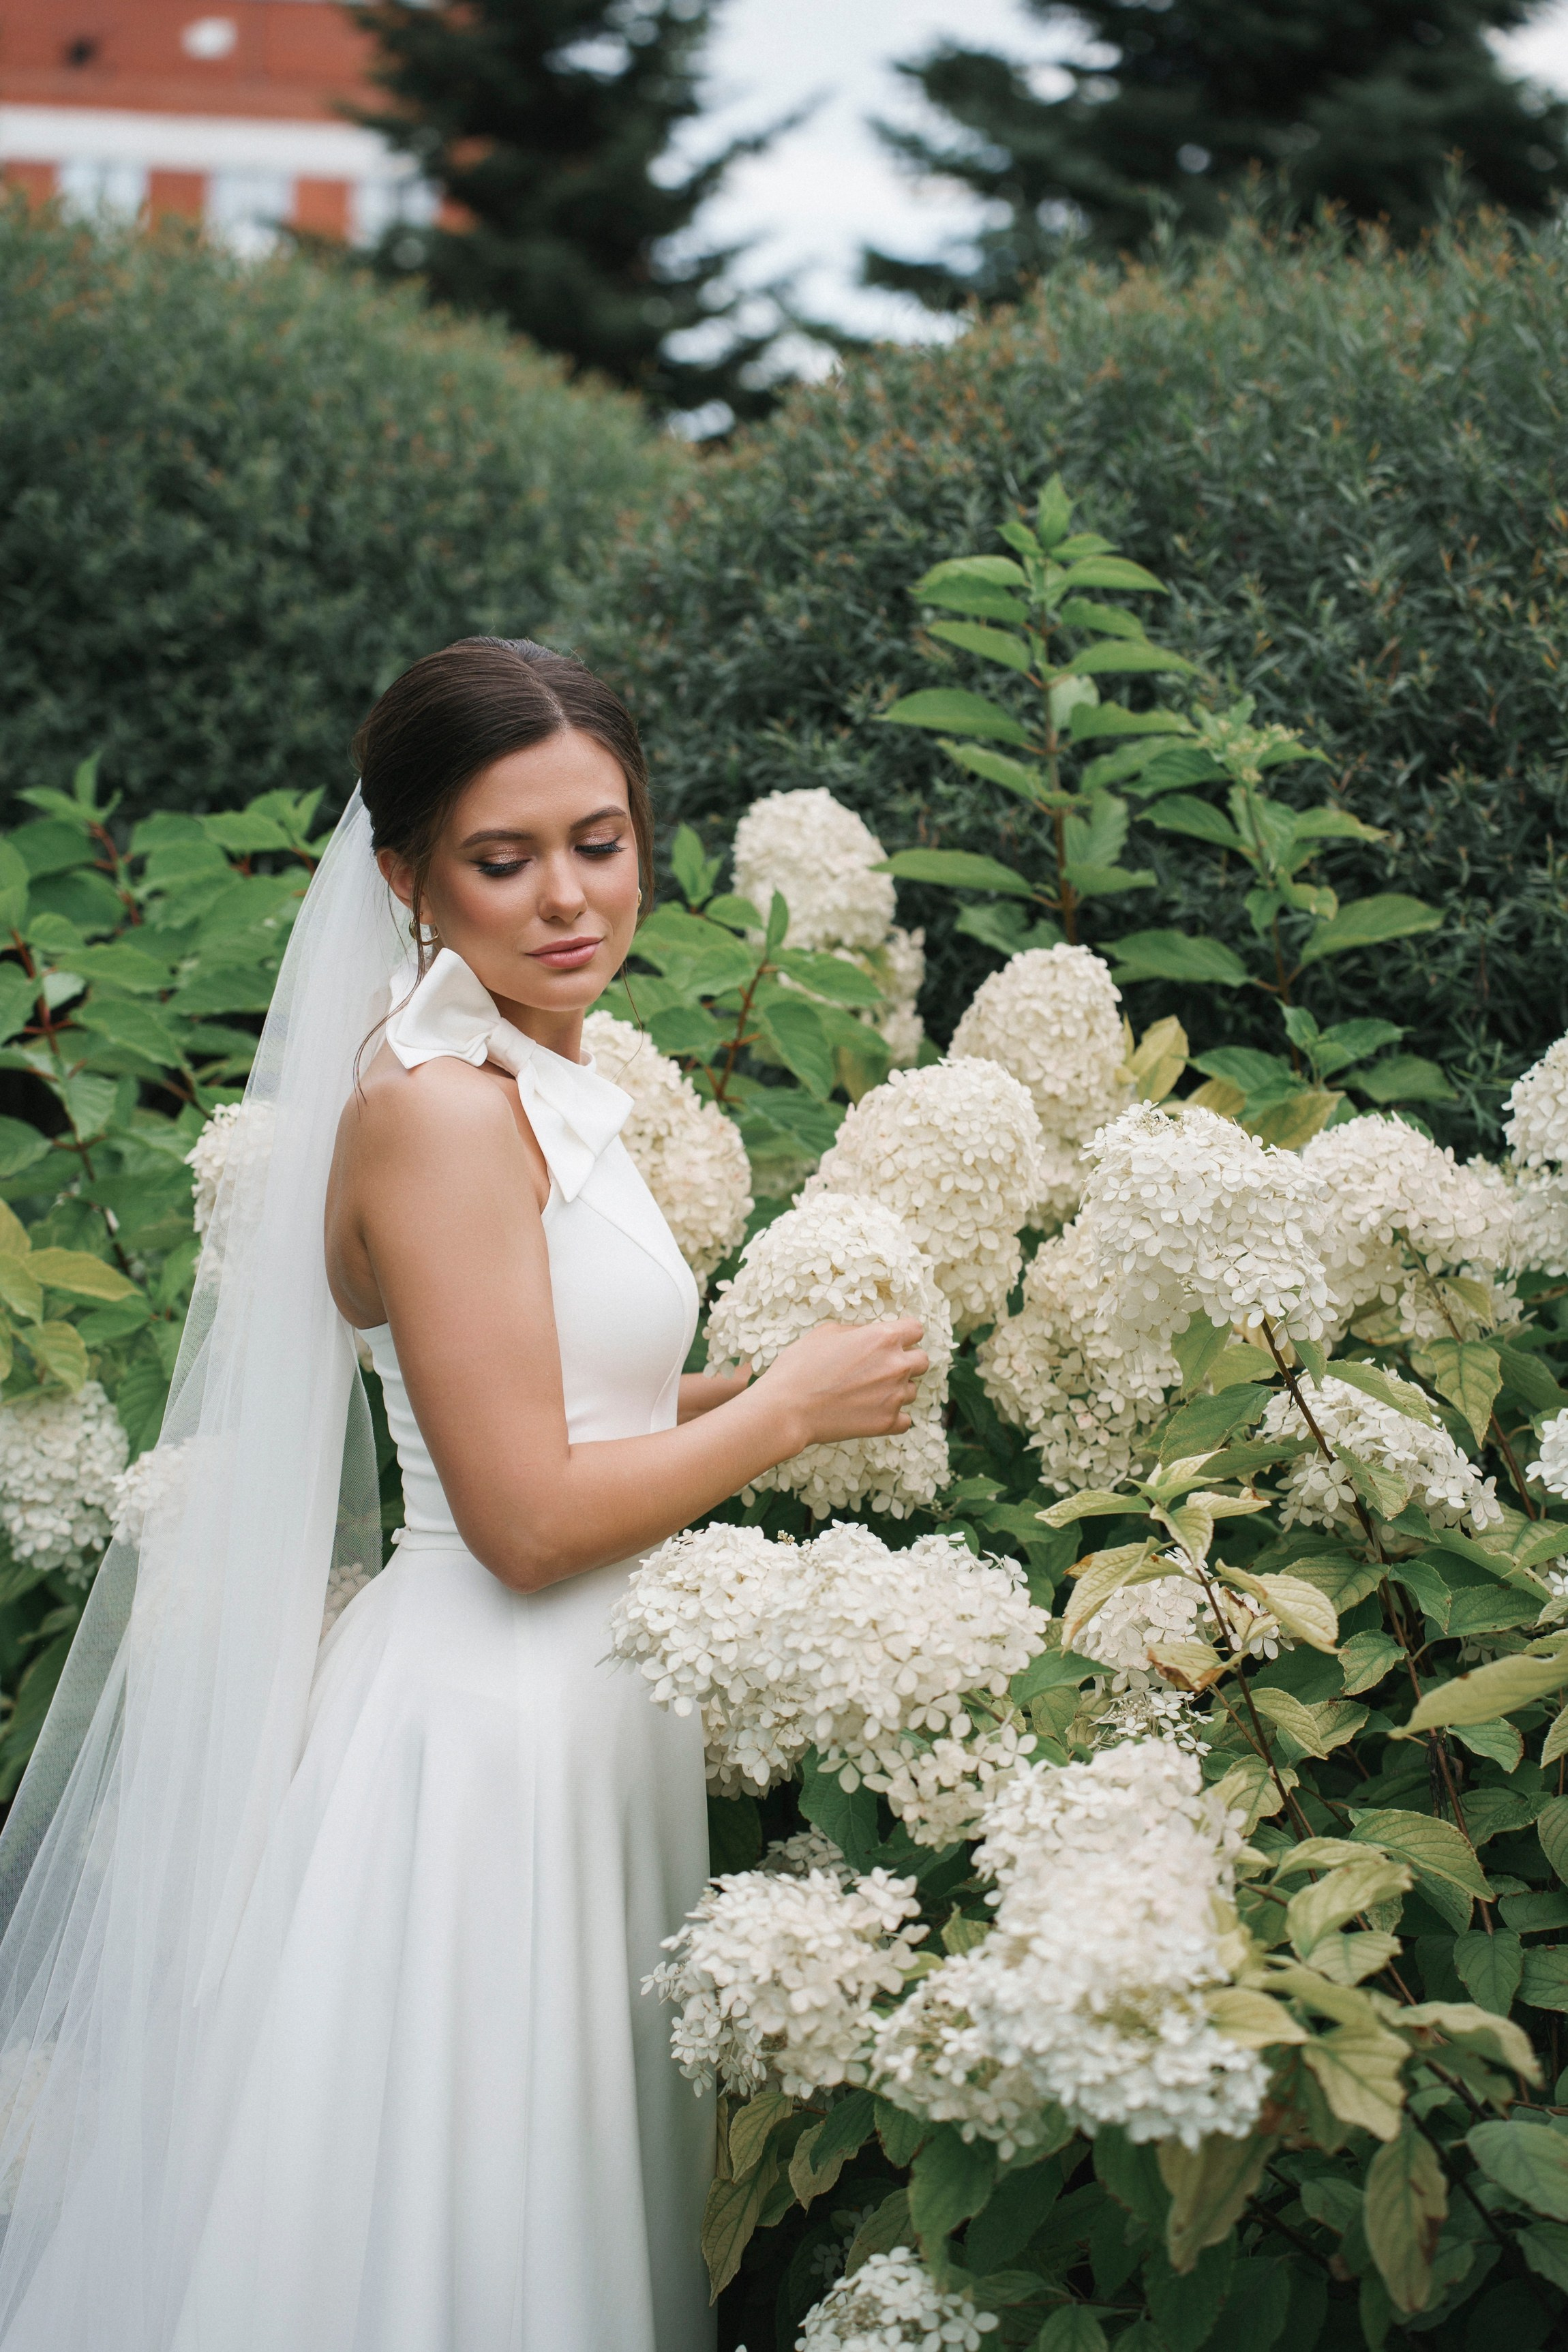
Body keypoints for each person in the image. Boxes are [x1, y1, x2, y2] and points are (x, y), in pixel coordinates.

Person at [0, 639, 927, 2351]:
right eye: (504, 861)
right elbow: (519, 1519)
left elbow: (561, 1402)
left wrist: (766, 1383)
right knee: (470, 2227)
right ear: (405, 878)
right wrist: (786, 1415)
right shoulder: (435, 1110)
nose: (569, 898)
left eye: (603, 840)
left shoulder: (530, 1071)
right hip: (490, 1730)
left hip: (582, 1715)